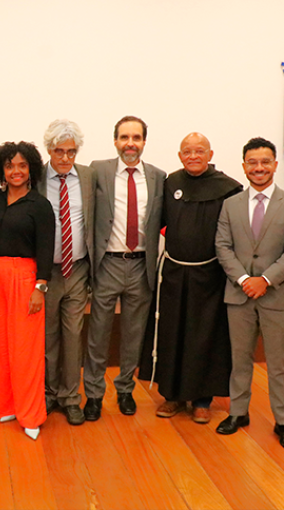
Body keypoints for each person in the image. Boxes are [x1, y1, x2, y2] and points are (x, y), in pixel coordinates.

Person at [138, 133, 241, 424]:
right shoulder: (171, 183)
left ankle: (202, 400)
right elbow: (156, 222)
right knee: (172, 334)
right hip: (172, 274)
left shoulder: (229, 188)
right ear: (180, 155)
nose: (193, 156)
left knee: (203, 337)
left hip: (210, 277)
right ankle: (172, 396)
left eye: (199, 151)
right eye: (187, 152)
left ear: (210, 154)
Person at [215, 137, 284, 452]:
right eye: (252, 162)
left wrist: (265, 280)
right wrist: (244, 279)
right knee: (239, 359)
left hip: (276, 296)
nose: (259, 168)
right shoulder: (230, 204)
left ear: (275, 165)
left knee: (278, 364)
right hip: (239, 295)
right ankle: (238, 413)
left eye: (265, 162)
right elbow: (222, 247)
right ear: (244, 166)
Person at [83, 116, 165, 421]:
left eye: (136, 137)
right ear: (115, 140)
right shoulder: (98, 171)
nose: (130, 143)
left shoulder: (158, 177)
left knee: (134, 334)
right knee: (98, 334)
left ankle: (125, 389)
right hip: (108, 264)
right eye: (125, 137)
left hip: (142, 265)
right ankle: (93, 394)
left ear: (144, 141)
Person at [0, 141, 55, 440]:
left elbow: (46, 250)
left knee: (26, 349)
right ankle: (4, 405)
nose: (16, 171)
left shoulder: (40, 205)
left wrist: (40, 287)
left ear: (31, 169)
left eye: (22, 165)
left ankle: (31, 414)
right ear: (1, 169)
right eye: (10, 165)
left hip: (24, 278)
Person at [38, 120, 96, 425]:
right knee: (48, 337)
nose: (65, 158)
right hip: (47, 272)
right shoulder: (36, 178)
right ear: (49, 150)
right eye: (59, 151)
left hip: (78, 269)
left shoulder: (87, 176)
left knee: (73, 336)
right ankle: (48, 394)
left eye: (71, 152)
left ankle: (71, 397)